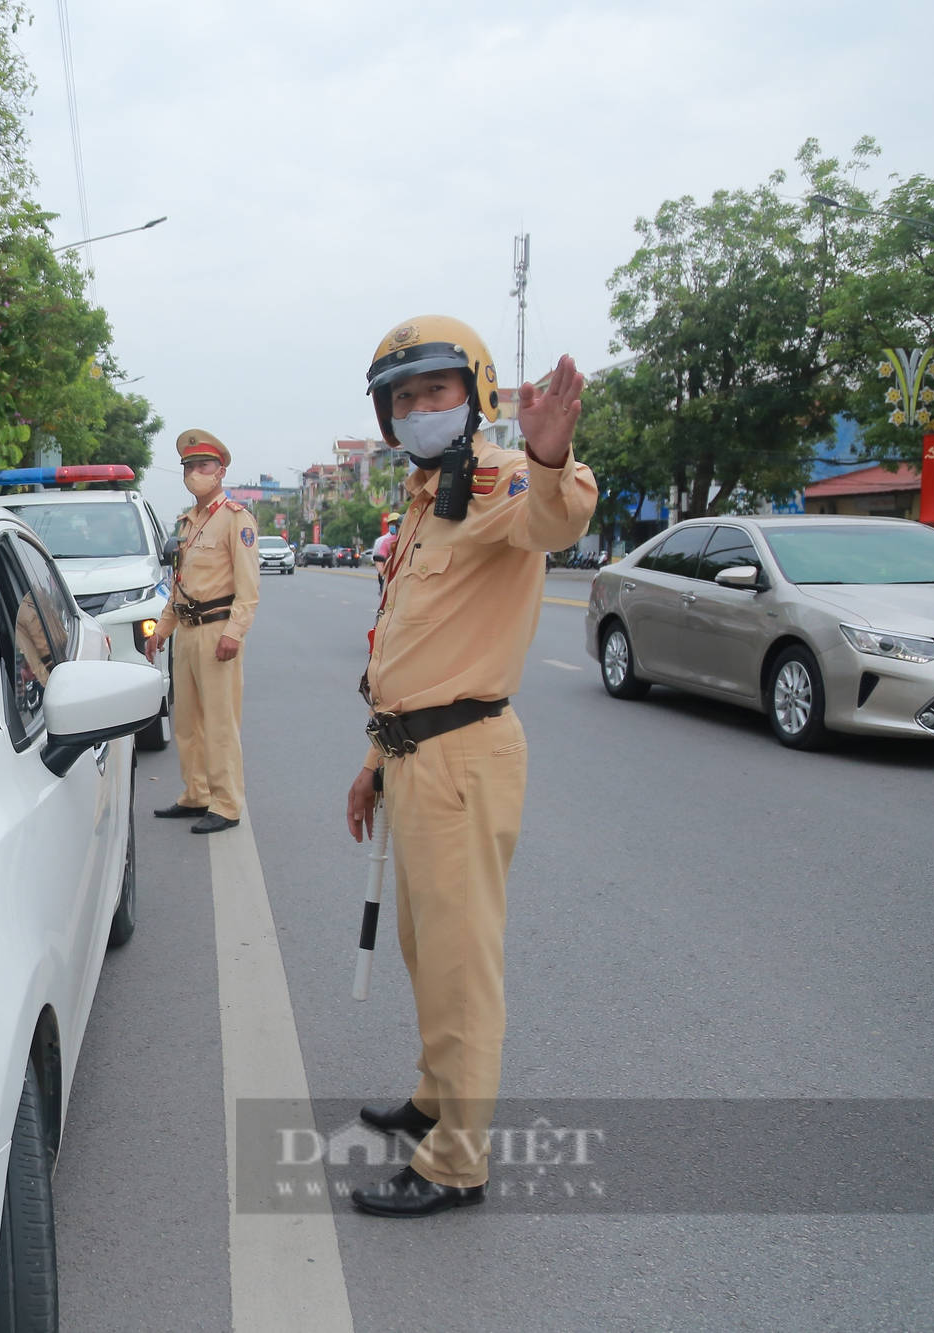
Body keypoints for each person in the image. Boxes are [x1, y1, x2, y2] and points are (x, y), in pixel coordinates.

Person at [340, 317, 596, 1218]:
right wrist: (374, 759)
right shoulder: (421, 497)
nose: (416, 409)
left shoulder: (501, 480)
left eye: (434, 391)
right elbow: (411, 650)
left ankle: (457, 1161)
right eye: (401, 398)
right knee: (424, 948)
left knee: (461, 963)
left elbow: (554, 519)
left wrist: (552, 455)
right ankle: (434, 1095)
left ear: (476, 396)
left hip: (464, 757)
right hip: (413, 756)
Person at [144, 429, 260, 835]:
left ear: (221, 470)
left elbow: (249, 588)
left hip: (217, 633)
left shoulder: (236, 519)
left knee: (220, 722)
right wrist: (161, 630)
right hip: (187, 633)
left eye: (203, 465)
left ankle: (226, 804)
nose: (195, 472)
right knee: (188, 723)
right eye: (189, 467)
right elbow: (179, 585)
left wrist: (235, 632)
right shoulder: (187, 523)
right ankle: (196, 794)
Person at [373, 513, 401, 591]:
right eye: (393, 524)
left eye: (397, 524)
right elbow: (379, 558)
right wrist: (382, 572)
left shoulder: (413, 540)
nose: (396, 527)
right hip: (390, 574)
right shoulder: (386, 541)